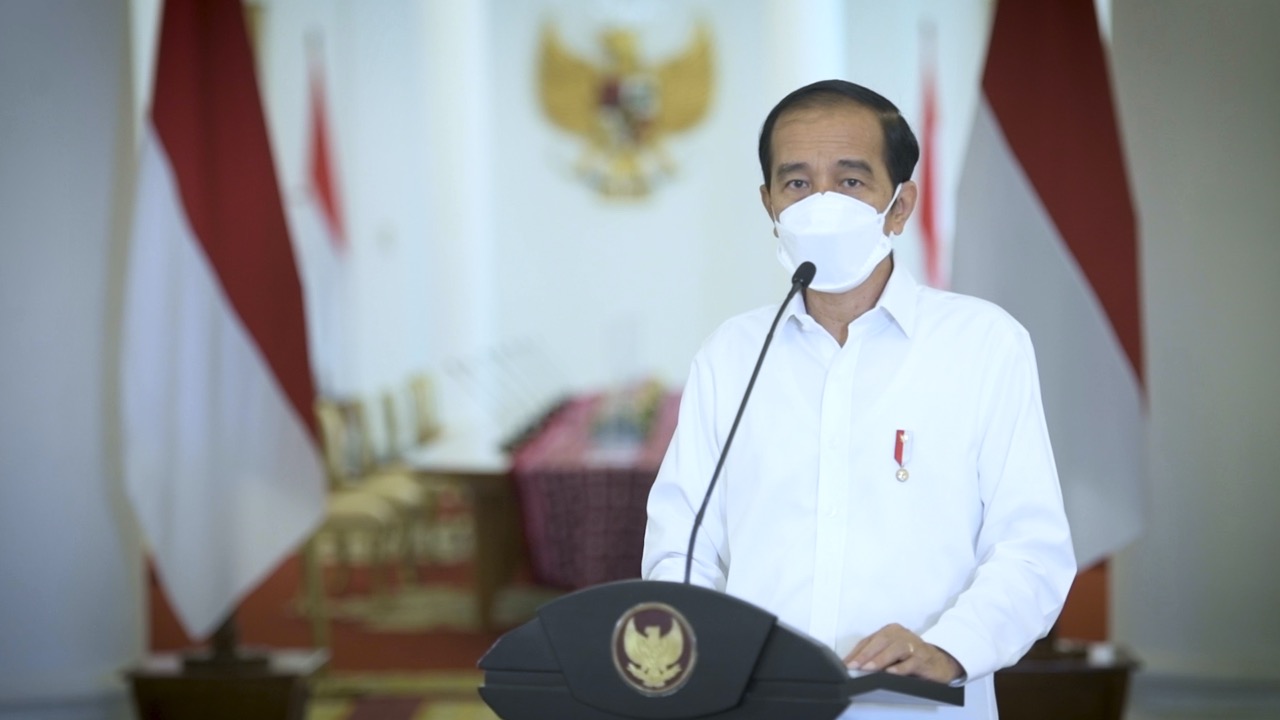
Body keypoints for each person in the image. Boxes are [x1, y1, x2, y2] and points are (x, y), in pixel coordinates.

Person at [641, 79, 1076, 719]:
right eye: (797, 183)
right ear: (769, 204)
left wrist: (949, 648)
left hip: (918, 708)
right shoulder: (731, 355)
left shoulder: (985, 345)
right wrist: (695, 659)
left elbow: (1032, 550)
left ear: (899, 206)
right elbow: (680, 546)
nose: (821, 204)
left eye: (850, 181)